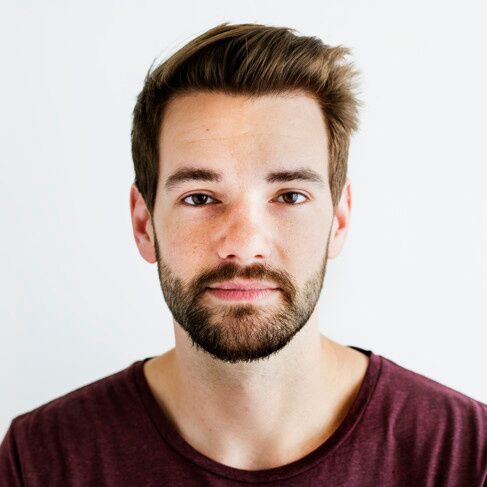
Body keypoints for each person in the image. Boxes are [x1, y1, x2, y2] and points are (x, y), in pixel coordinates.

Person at [1, 21, 486, 486]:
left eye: (290, 196)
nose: (244, 244)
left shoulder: (466, 454)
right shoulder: (41, 460)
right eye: (200, 198)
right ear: (144, 224)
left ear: (338, 220)